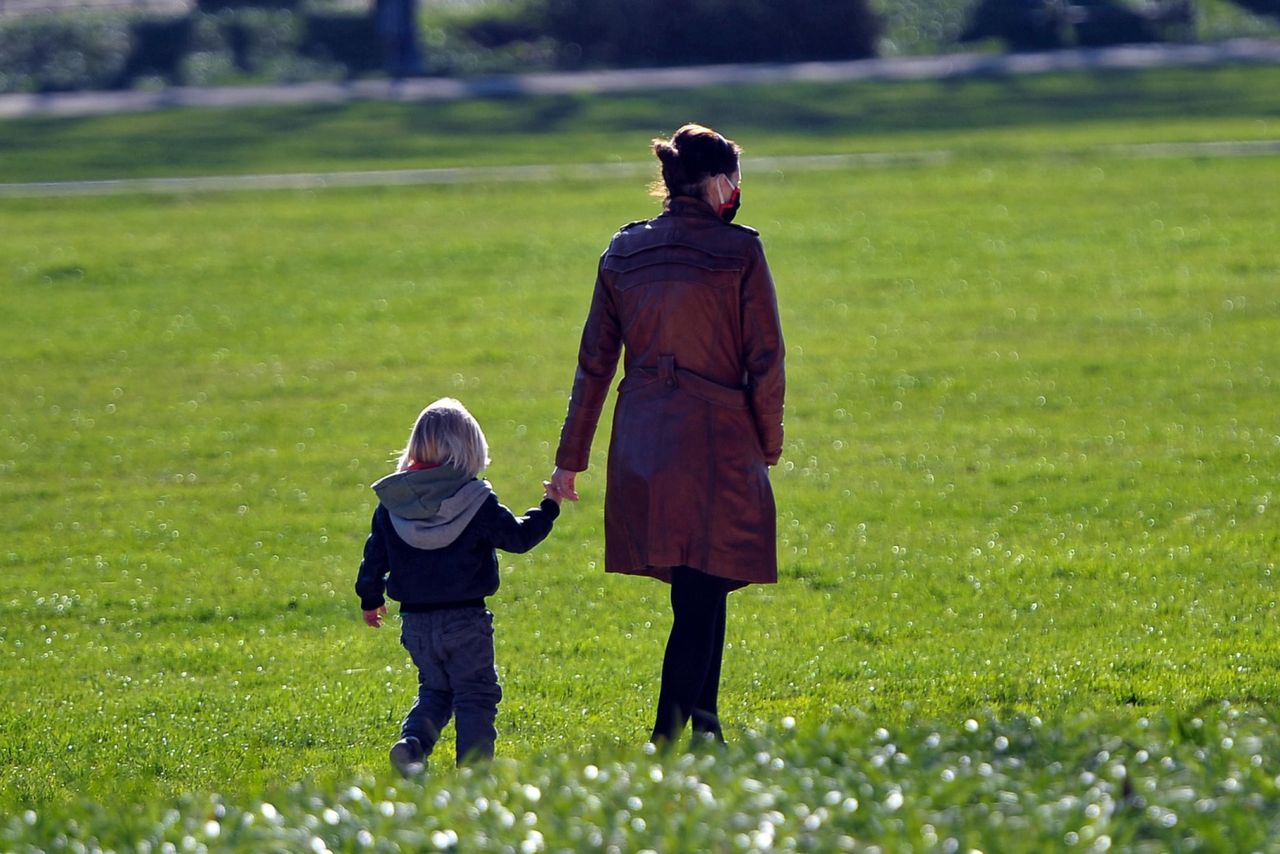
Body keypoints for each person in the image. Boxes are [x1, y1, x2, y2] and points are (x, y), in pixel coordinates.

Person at [548, 123, 785, 747]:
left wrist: (569, 461)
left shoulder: (623, 251)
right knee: (704, 588)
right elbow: (766, 356)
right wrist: (769, 440)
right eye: (734, 180)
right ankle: (670, 734)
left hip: (642, 440)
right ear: (715, 183)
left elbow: (594, 362)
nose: (737, 192)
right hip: (716, 436)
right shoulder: (741, 251)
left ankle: (703, 730)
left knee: (702, 586)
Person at [356, 397, 560, 774]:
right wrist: (549, 506)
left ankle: (413, 744)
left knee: (436, 690)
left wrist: (371, 599)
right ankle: (474, 771)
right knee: (476, 694)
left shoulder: (393, 504)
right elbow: (517, 538)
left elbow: (374, 557)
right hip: (466, 621)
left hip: (416, 625)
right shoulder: (476, 500)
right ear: (471, 449)